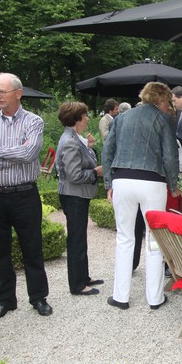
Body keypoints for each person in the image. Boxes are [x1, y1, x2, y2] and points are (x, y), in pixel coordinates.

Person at [0, 73, 53, 320]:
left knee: (32, 248)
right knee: (0, 251)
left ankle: (38, 297)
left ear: (18, 93)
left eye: (2, 91)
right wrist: (2, 155)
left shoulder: (33, 121)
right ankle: (5, 300)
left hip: (24, 194)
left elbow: (29, 154)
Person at [102, 82, 179, 310]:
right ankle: (155, 298)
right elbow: (170, 156)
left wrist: (108, 183)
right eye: (167, 102)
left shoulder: (122, 118)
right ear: (160, 99)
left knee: (124, 237)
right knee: (154, 239)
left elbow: (107, 151)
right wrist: (174, 185)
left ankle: (120, 297)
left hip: (122, 180)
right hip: (152, 182)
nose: (169, 106)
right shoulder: (163, 119)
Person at [55, 101, 104, 296]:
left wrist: (89, 147)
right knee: (76, 240)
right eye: (85, 116)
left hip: (76, 195)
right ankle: (77, 285)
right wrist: (95, 172)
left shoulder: (74, 138)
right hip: (73, 195)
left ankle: (83, 277)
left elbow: (82, 161)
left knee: (80, 237)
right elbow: (74, 175)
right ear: (77, 119)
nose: (88, 119)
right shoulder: (70, 141)